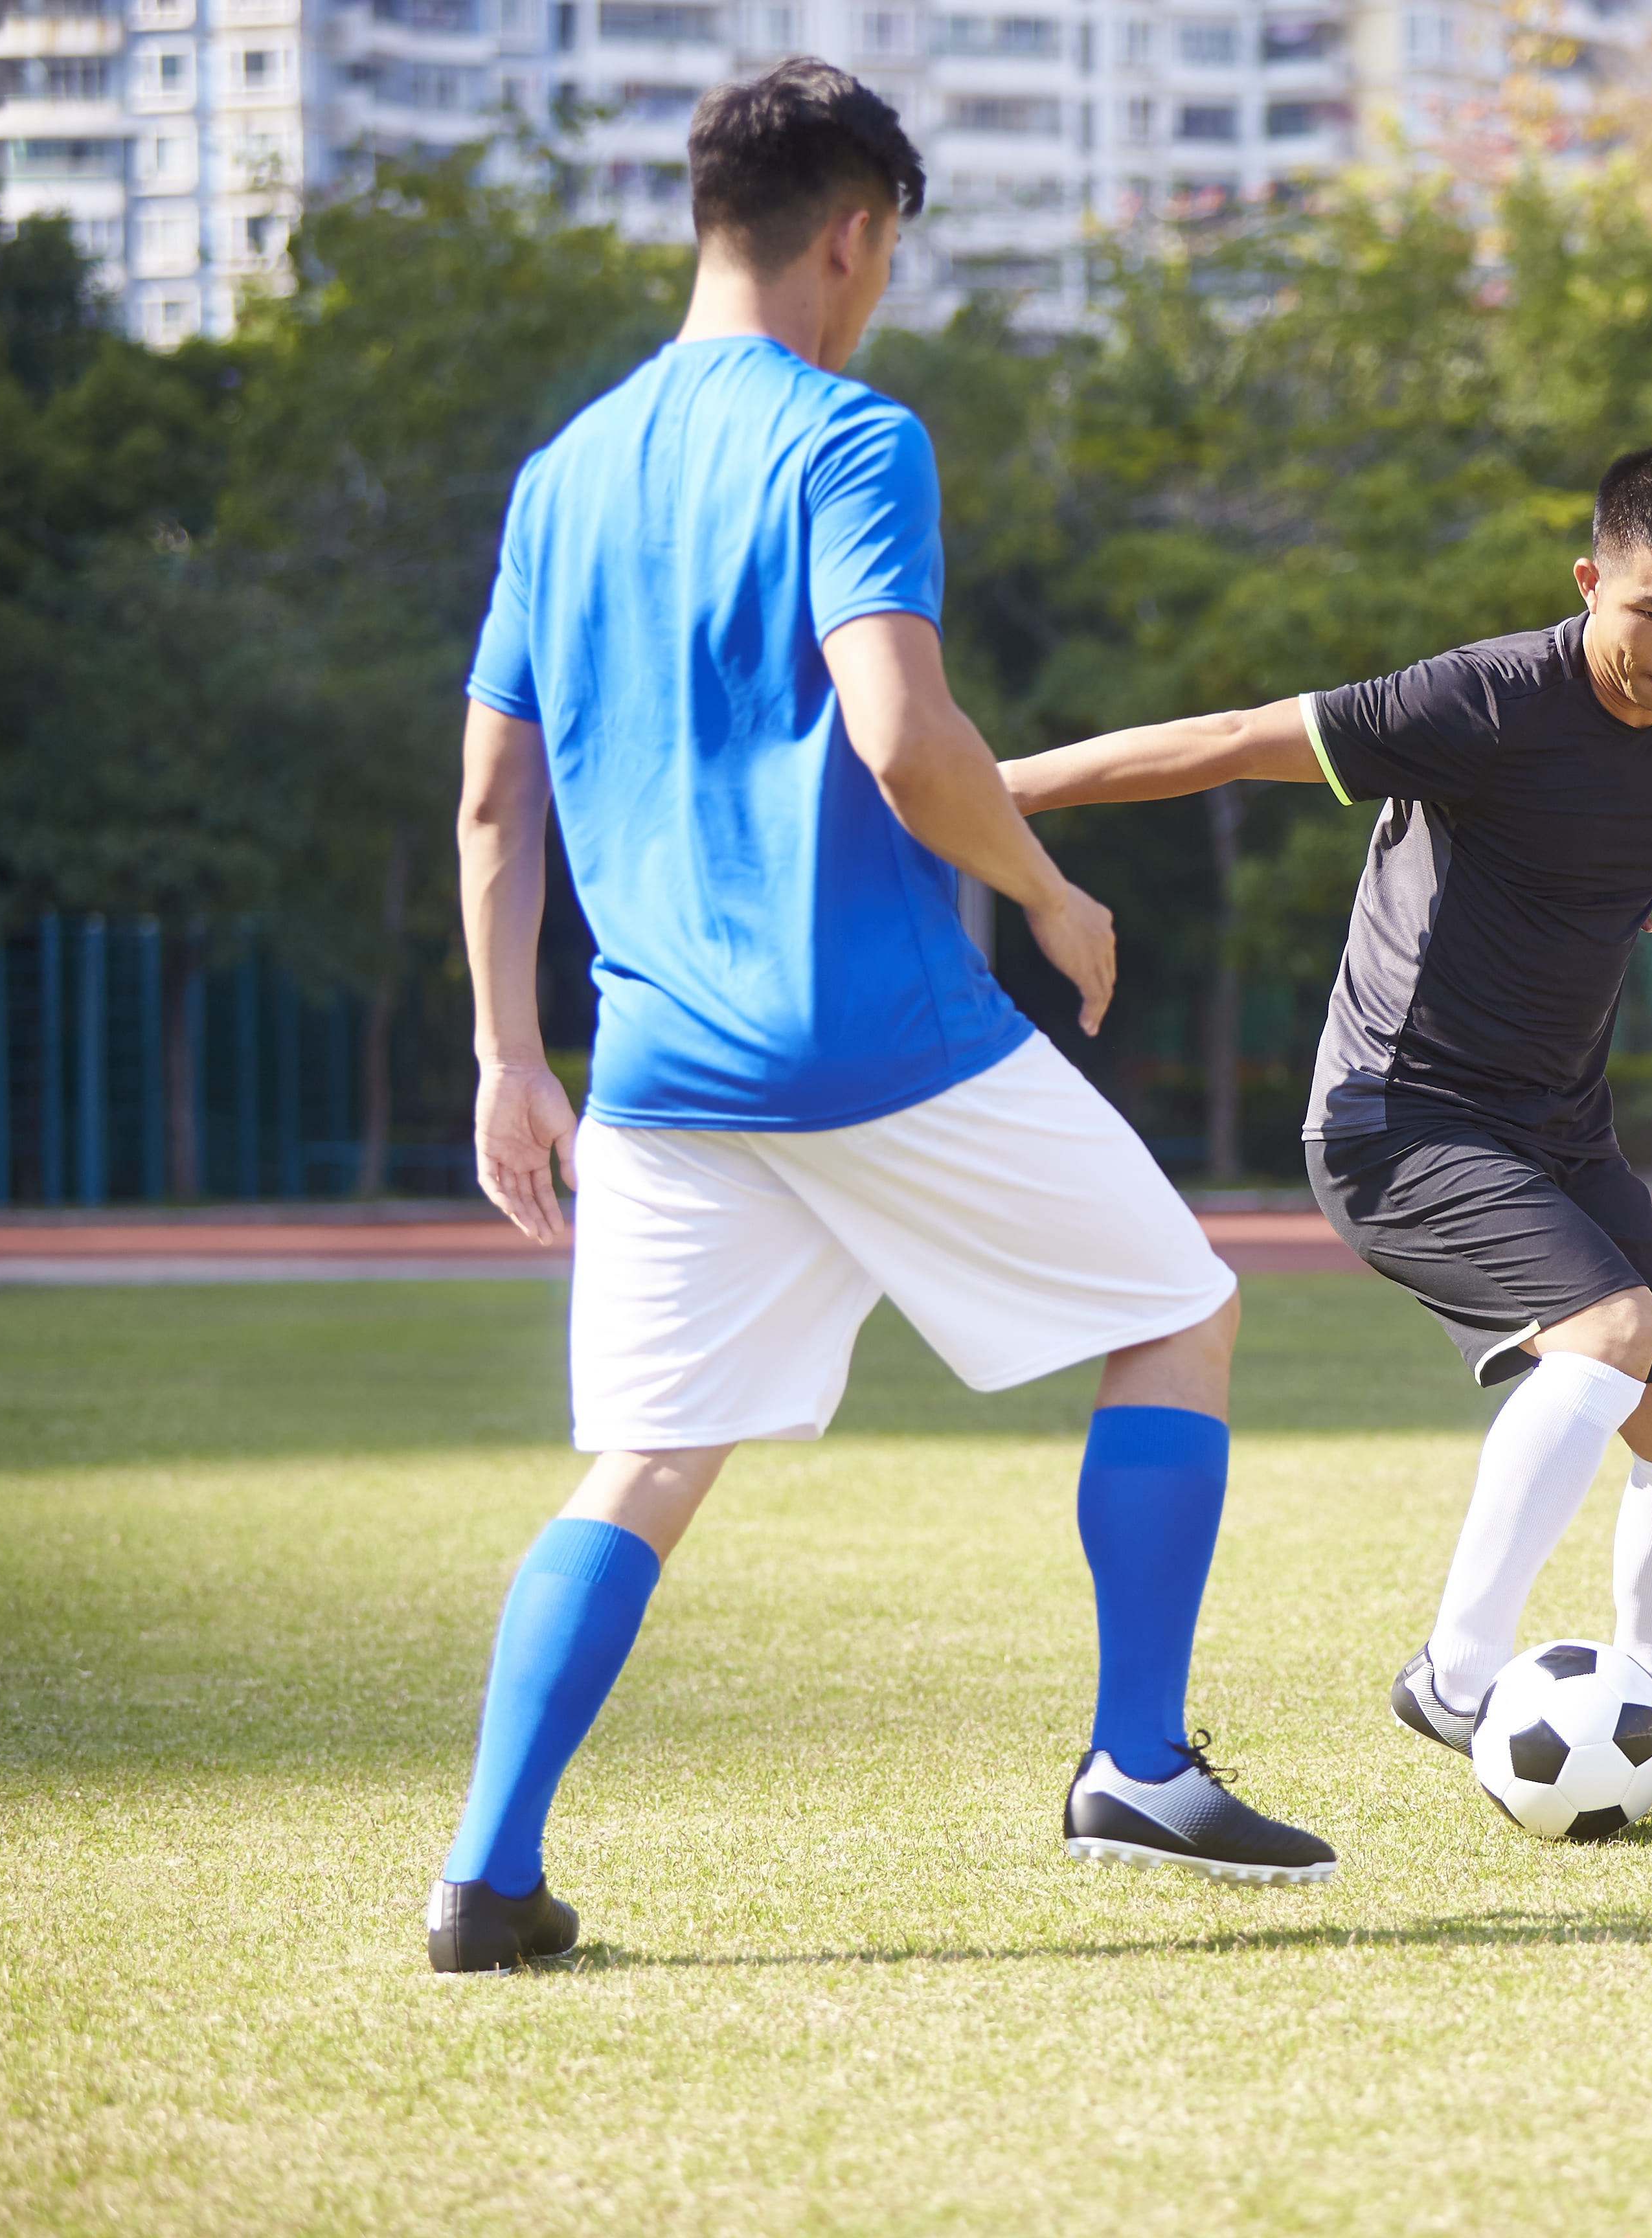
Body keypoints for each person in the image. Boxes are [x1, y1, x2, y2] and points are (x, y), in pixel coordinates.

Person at [436, 60, 1330, 1975]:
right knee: (1181, 1314)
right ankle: (1138, 1762)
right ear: (854, 234)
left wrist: (516, 1059)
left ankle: (488, 1881)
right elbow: (904, 732)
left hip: (658, 1065)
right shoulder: (852, 438)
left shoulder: (563, 476)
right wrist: (1046, 885)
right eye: (890, 255)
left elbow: (496, 803)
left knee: (652, 1464)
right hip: (874, 1032)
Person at [996, 444, 1652, 1800]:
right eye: (1651, 613)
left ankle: (1639, 1712)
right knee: (1610, 1335)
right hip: (1401, 1120)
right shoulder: (1481, 700)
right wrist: (979, 794)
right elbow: (1220, 743)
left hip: (1559, 1132)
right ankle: (1455, 1677)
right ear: (1590, 583)